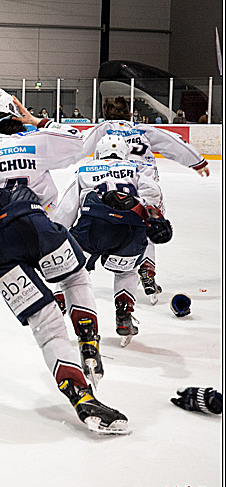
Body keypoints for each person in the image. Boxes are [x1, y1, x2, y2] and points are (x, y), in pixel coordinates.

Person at [0, 89, 127, 434]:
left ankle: (82, 397)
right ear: (15, 113)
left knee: (45, 323)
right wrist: (36, 120)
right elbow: (79, 143)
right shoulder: (32, 140)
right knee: (74, 278)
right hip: (31, 223)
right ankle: (88, 342)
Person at [81, 96, 210, 303]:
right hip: (148, 185)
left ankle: (80, 273)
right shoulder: (142, 130)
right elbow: (173, 142)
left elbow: (79, 144)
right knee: (149, 228)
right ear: (129, 113)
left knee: (104, 224)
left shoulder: (103, 129)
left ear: (106, 114)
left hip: (116, 184)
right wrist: (197, 162)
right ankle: (148, 271)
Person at [52, 134, 170, 348]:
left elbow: (66, 210)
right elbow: (153, 194)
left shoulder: (85, 169)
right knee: (126, 271)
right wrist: (156, 217)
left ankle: (59, 303)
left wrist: (56, 235)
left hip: (91, 230)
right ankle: (124, 315)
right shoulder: (135, 169)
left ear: (98, 153)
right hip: (128, 232)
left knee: (74, 271)